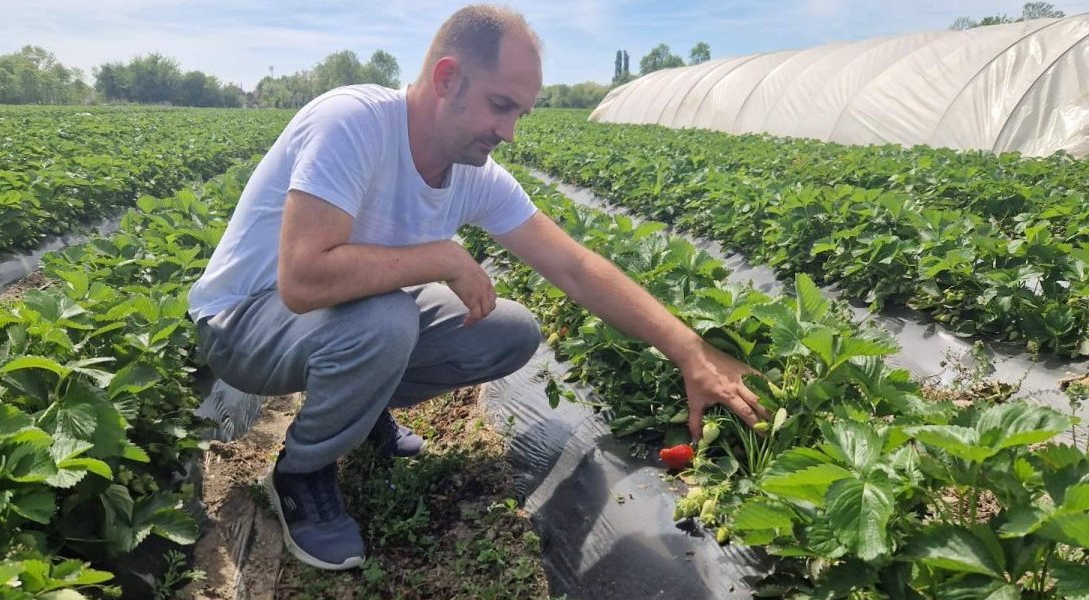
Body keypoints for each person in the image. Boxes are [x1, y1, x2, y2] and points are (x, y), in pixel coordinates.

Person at [187, 4, 768, 572]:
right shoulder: (354, 123)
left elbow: (574, 267)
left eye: (521, 114)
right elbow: (303, 279)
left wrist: (690, 351)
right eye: (500, 106)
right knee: (386, 321)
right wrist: (440, 256)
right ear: (446, 79)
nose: (509, 132)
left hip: (337, 316)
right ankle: (302, 471)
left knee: (508, 331)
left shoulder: (473, 173)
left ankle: (363, 411)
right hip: (243, 325)